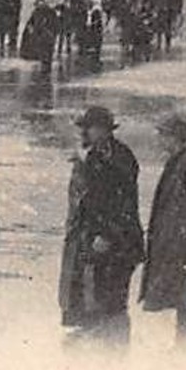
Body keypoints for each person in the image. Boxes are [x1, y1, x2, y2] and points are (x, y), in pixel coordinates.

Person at [59, 106, 145, 338]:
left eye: (89, 128)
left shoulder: (121, 158)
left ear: (104, 130)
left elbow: (121, 203)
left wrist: (106, 235)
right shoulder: (94, 155)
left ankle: (113, 358)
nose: (84, 133)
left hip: (118, 240)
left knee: (113, 304)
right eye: (83, 129)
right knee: (91, 297)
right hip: (93, 237)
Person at [140, 114, 186, 343]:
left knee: (184, 291)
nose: (159, 140)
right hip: (176, 241)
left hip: (182, 244)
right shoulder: (178, 163)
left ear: (174, 138)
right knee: (181, 289)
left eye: (162, 135)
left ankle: (185, 344)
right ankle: (184, 342)